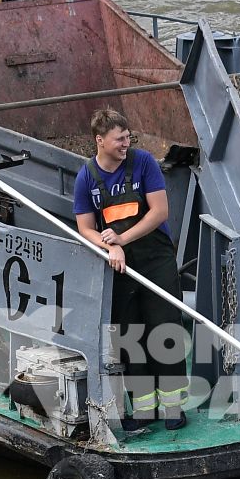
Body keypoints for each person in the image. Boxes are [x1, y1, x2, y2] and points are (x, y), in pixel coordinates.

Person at [73, 109, 189, 432]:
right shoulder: (86, 178)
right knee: (130, 335)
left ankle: (173, 408)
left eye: (128, 137)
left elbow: (160, 211)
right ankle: (143, 410)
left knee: (163, 328)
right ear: (100, 141)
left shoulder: (144, 163)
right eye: (119, 139)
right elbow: (85, 227)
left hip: (156, 259)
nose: (126, 143)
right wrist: (109, 247)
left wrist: (121, 237)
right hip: (119, 266)